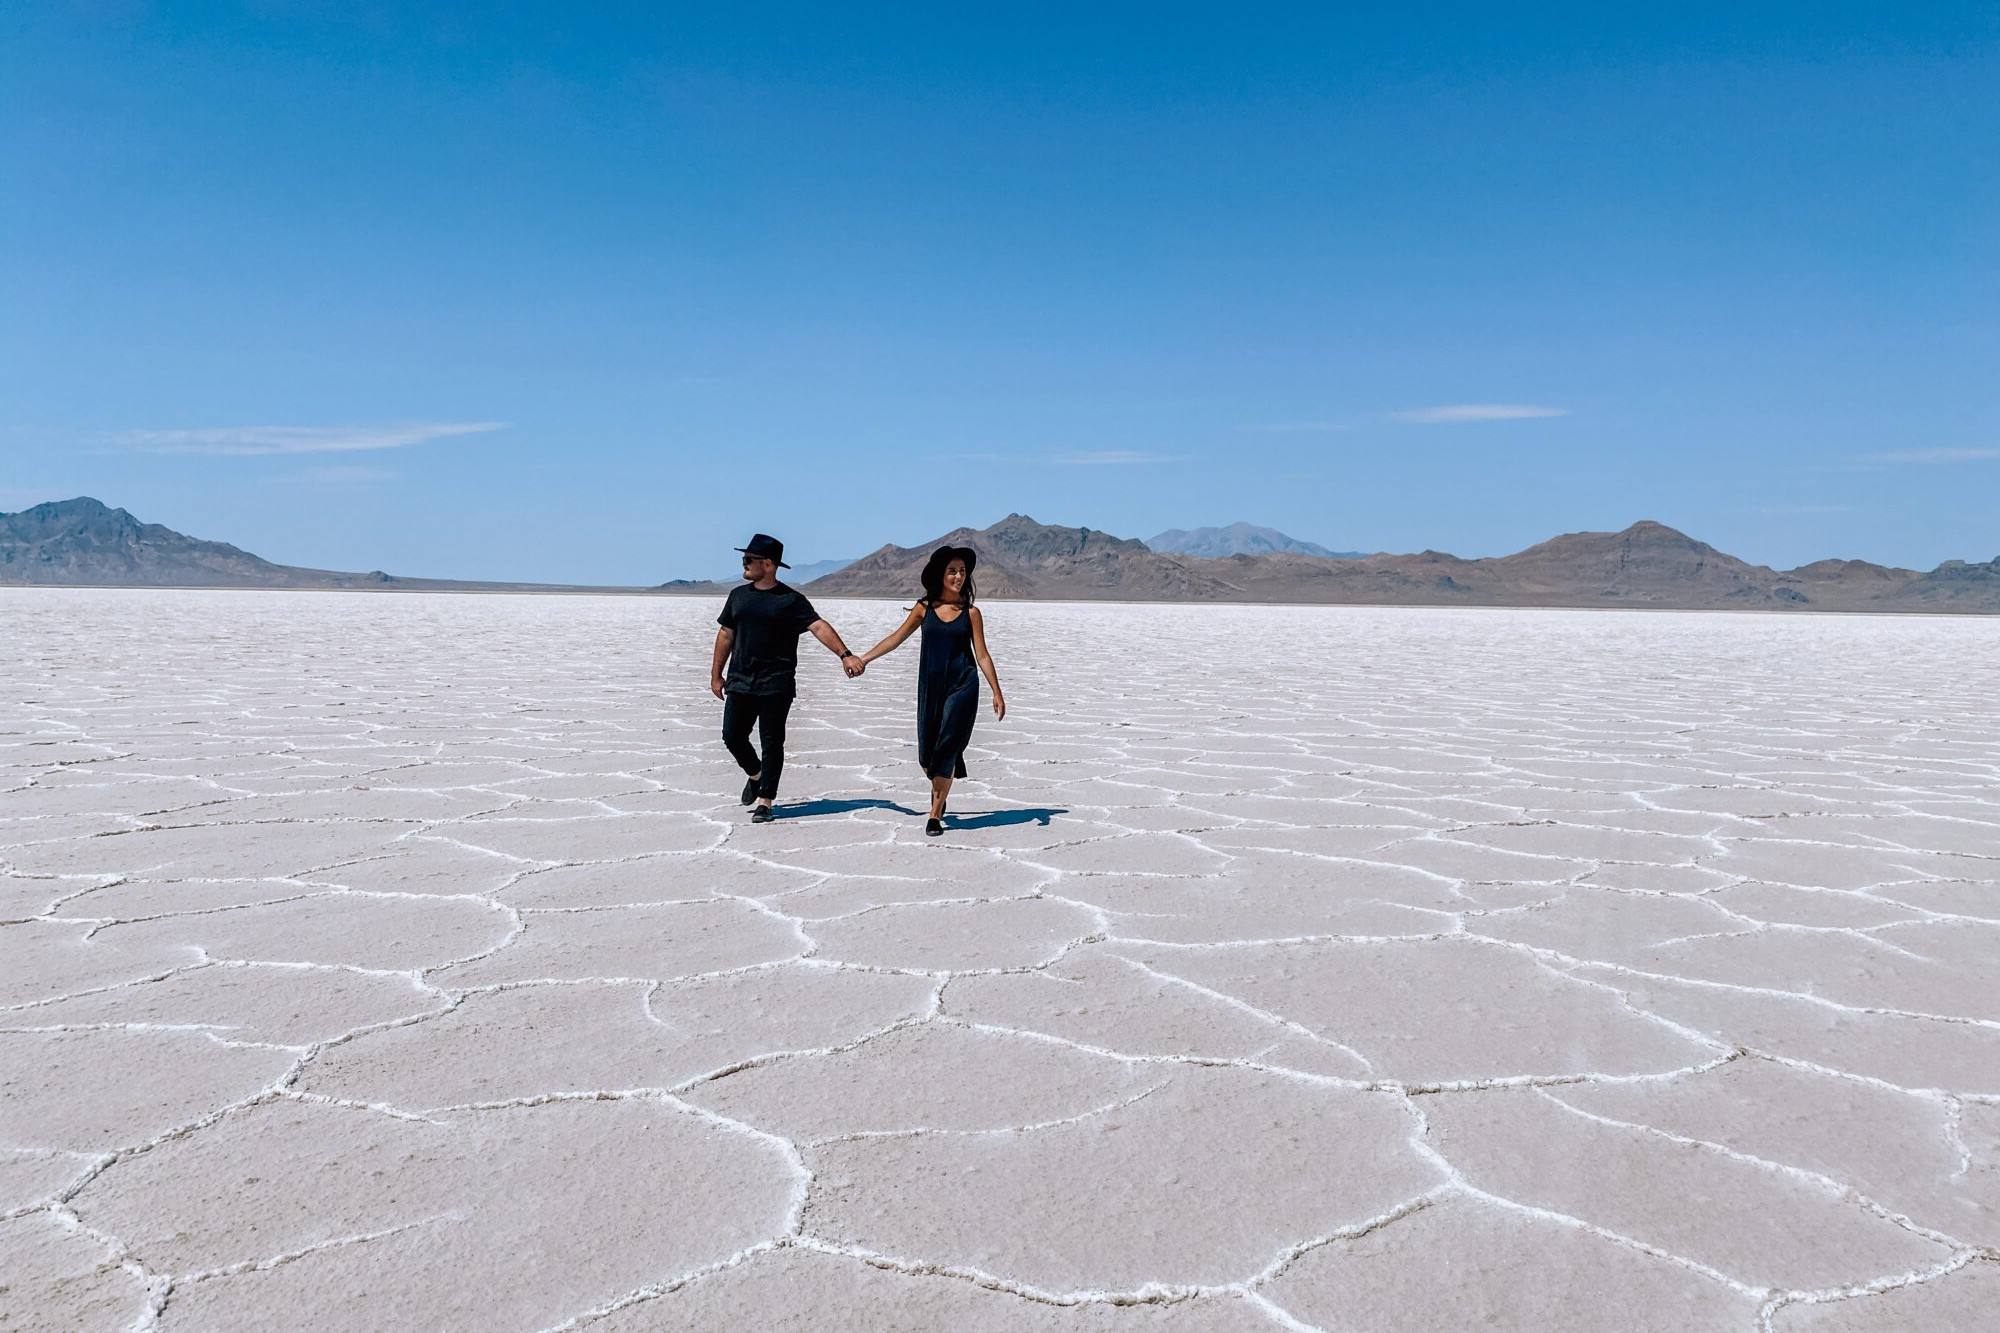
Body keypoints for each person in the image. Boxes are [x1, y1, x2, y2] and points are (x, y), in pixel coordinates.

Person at [711, 533, 864, 822]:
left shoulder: (791, 600)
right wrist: (716, 674)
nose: (743, 564)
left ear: (768, 564)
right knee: (732, 736)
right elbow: (725, 634)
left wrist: (845, 654)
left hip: (776, 684)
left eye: (749, 560)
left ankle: (765, 801)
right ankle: (756, 774)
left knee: (772, 742)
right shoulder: (738, 597)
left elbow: (819, 627)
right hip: (740, 681)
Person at [857, 545, 1006, 836]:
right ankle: (941, 786)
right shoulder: (924, 609)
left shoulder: (972, 613)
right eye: (952, 571)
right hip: (931, 689)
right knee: (927, 756)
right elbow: (895, 638)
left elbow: (983, 655)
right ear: (940, 574)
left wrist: (996, 692)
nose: (958, 576)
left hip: (963, 685)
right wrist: (864, 658)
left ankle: (934, 815)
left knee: (946, 749)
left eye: (962, 571)